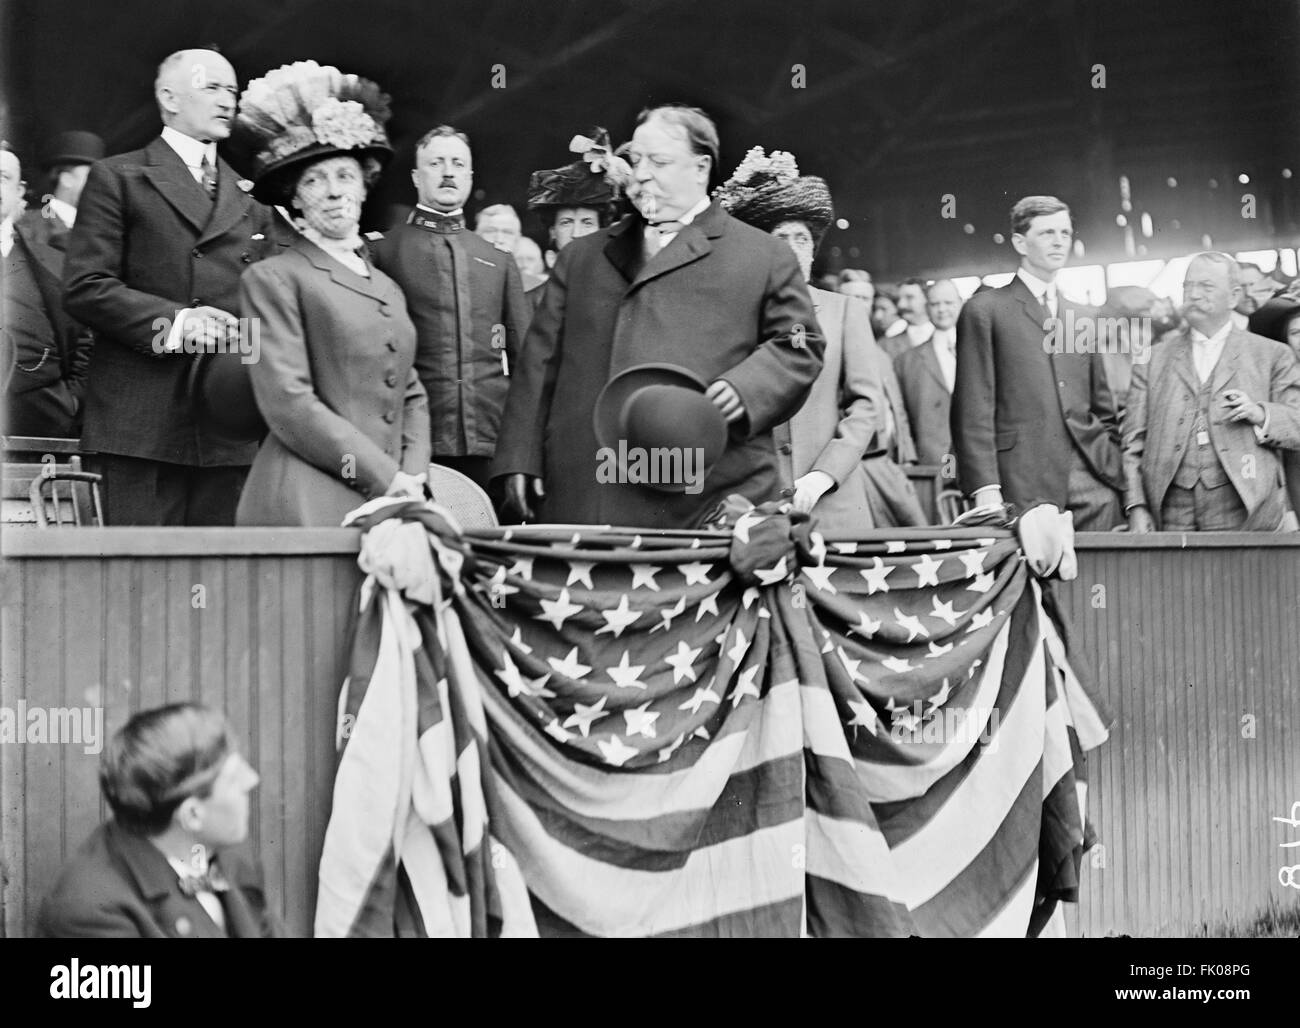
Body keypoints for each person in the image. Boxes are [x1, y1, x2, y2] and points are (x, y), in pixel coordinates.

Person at [492, 104, 824, 527]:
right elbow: (538, 364)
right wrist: (519, 456)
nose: (642, 173)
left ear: (701, 168)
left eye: (660, 161)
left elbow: (801, 343)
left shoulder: (764, 255)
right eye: (636, 160)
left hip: (708, 488)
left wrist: (746, 387)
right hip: (587, 485)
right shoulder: (580, 257)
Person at [63, 47, 278, 525]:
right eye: (212, 87)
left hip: (225, 429)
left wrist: (244, 357)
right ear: (169, 96)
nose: (228, 100)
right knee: (139, 589)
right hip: (138, 427)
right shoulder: (119, 177)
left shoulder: (253, 199)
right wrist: (176, 325)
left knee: (217, 589)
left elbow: (267, 314)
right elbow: (85, 287)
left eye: (233, 91)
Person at [231, 61, 431, 526]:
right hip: (307, 500)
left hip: (395, 502)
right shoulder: (270, 279)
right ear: (295, 199)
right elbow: (288, 401)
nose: (333, 192)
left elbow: (412, 392)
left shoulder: (386, 286)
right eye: (314, 181)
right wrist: (387, 478)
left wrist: (414, 478)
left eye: (344, 176)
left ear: (365, 185)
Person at [715, 147, 882, 535]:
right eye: (780, 239)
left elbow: (866, 406)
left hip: (833, 505)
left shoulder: (844, 312)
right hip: (755, 506)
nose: (792, 249)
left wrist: (823, 475)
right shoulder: (733, 316)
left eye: (802, 239)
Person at [370, 125, 529, 493]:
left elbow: (525, 364)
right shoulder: (383, 252)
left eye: (458, 163)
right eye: (436, 162)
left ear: (470, 176)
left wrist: (520, 454)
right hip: (410, 440)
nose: (447, 172)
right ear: (416, 176)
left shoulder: (497, 260)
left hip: (489, 440)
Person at [951, 195, 1124, 529]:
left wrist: (1111, 463)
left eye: (1065, 233)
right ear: (1020, 241)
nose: (1059, 241)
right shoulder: (985, 309)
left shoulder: (1081, 316)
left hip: (1093, 478)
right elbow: (973, 408)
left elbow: (1103, 407)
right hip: (1020, 478)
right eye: (1047, 233)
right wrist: (985, 488)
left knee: (1098, 576)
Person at [36, 703, 279, 938]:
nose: (252, 779)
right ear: (192, 815)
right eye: (234, 780)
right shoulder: (90, 910)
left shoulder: (231, 856)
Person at [1123, 252, 1300, 532]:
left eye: (1206, 286)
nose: (1193, 294)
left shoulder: (1272, 355)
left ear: (1233, 296)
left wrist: (1260, 413)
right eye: (1187, 286)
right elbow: (1133, 441)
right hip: (1169, 512)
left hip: (1247, 509)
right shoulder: (1152, 358)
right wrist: (1136, 505)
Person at [1, 143, 91, 437]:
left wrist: (70, 404)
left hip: (40, 434)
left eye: (2, 177)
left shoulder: (56, 265)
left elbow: (86, 341)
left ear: (19, 191)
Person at [524, 127, 626, 311]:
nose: (576, 234)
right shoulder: (528, 305)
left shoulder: (622, 300)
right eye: (566, 222)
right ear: (553, 232)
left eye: (587, 222)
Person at [895, 278, 961, 468]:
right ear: (927, 307)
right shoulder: (906, 361)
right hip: (932, 461)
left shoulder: (982, 349)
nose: (942, 309)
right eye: (935, 304)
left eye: (948, 303)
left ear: (960, 304)